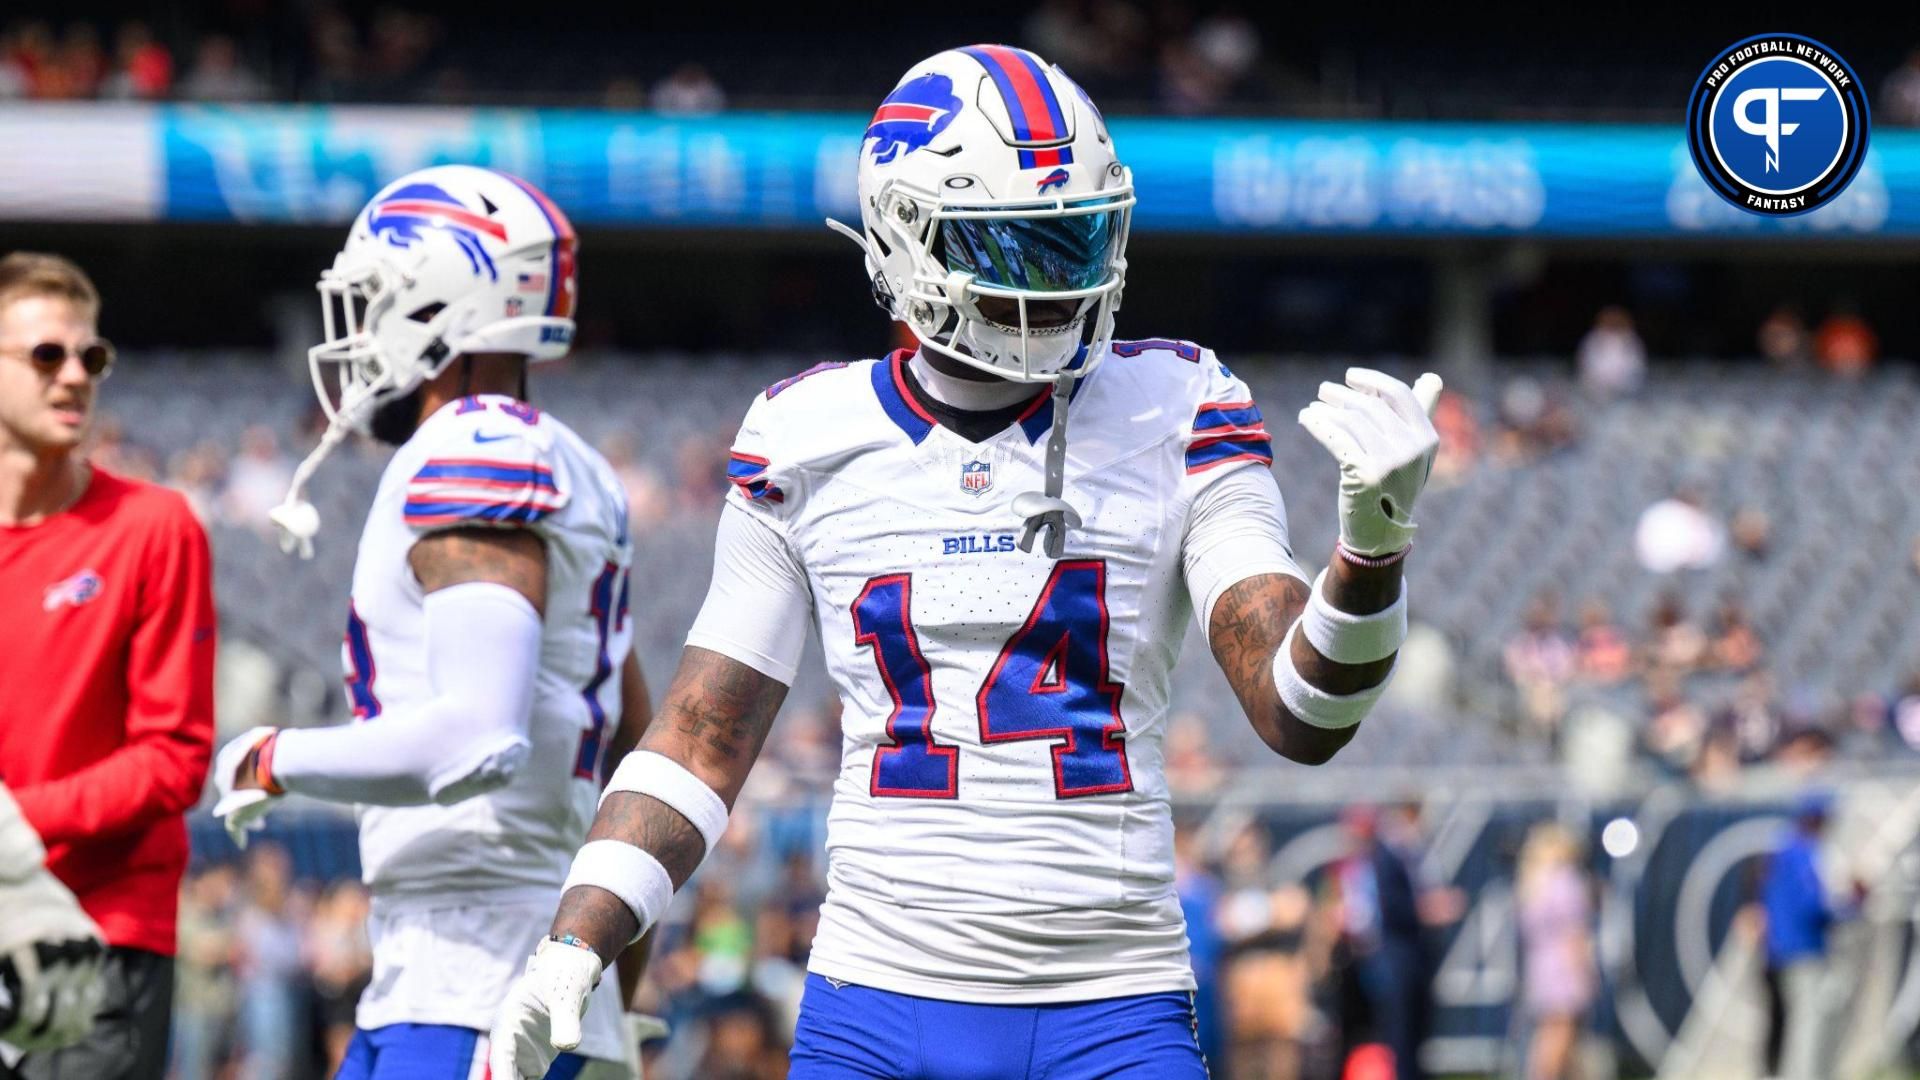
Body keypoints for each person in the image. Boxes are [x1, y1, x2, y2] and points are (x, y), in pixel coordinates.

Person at [493, 46, 1442, 1080]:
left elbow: (1300, 712)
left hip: (1110, 1006)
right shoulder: (806, 434)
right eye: (1018, 249)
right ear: (908, 241)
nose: (1067, 282)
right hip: (875, 1004)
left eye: (1078, 239)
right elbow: (701, 740)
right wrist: (574, 942)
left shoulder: (1180, 405)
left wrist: (1370, 551)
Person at [209, 166, 657, 1078]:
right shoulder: (565, 459)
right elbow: (639, 752)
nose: (360, 328)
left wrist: (271, 756)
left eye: (374, 299)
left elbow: (477, 736)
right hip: (480, 972)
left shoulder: (473, 447)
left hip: (479, 984)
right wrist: (611, 986)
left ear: (439, 303)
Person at [0, 251, 216, 1078]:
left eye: (91, 357)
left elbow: (175, 759)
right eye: (47, 355)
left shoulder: (155, 528)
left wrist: (16, 820)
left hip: (101, 939)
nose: (75, 376)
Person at [1762, 792, 1861, 1080]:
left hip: (1781, 951)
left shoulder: (1783, 849)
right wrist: (1850, 907)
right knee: (1809, 1028)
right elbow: (1812, 906)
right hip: (1803, 951)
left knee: (1796, 1024)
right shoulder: (1804, 853)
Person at [1515, 823, 1594, 1080]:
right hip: (1563, 968)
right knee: (1560, 1037)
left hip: (1540, 967)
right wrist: (1584, 972)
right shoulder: (1565, 882)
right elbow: (1574, 933)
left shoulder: (1534, 881)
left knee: (1550, 1036)